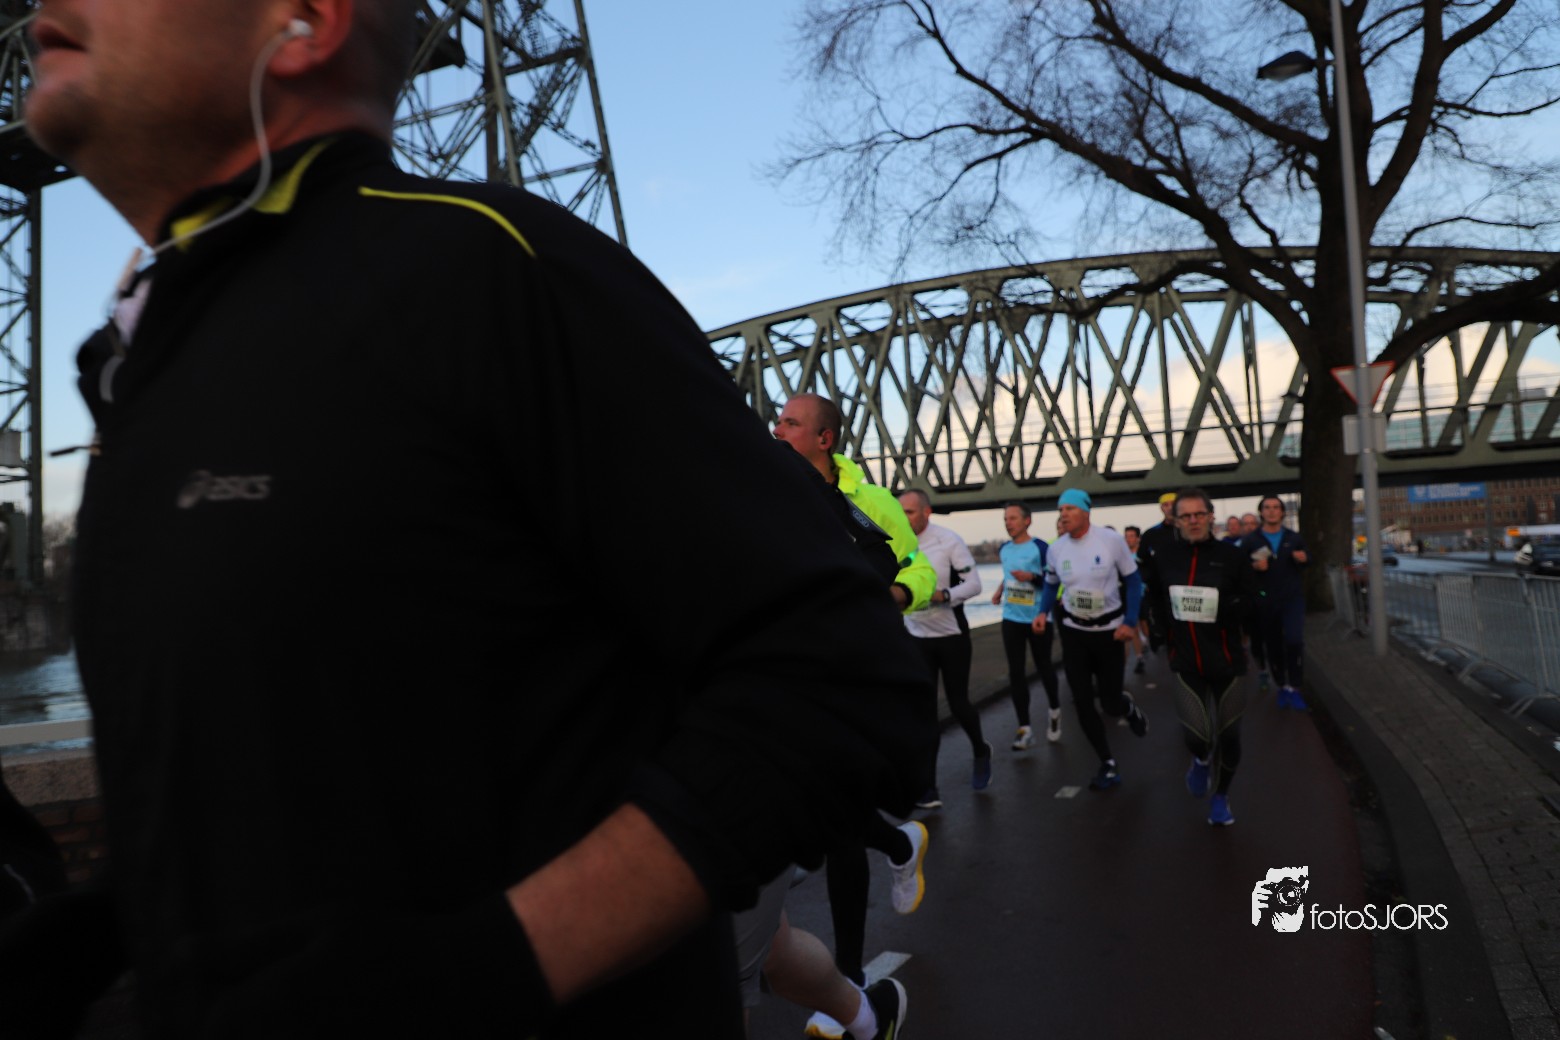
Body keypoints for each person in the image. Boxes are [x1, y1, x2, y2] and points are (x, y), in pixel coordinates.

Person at [6, 5, 929, 1037]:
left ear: (305, 21)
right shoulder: (142, 363)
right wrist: (91, 940)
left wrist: (480, 974)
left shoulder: (486, 270)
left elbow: (841, 677)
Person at [771, 392, 933, 1038]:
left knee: (837, 825)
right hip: (791, 672)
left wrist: (893, 593)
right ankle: (898, 841)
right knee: (814, 807)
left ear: (825, 439)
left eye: (789, 423)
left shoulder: (871, 502)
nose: (776, 429)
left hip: (854, 673)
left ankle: (852, 983)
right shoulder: (768, 490)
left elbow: (917, 565)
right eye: (777, 420)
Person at [1139, 488, 1256, 826]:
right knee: (1197, 736)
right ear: (1175, 520)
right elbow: (1154, 597)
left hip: (1228, 661)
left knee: (1229, 735)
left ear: (1210, 517)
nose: (1193, 521)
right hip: (1186, 660)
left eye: (1199, 514)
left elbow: (1252, 598)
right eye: (1186, 516)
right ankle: (1201, 761)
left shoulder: (1232, 556)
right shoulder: (1165, 557)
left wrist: (1228, 606)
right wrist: (1157, 628)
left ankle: (1220, 797)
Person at [1033, 490, 1150, 790]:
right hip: (1074, 632)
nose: (1063, 514)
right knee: (1082, 701)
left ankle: (1126, 707)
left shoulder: (1110, 541)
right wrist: (1042, 612)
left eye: (1070, 508)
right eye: (1060, 509)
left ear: (1086, 512)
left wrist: (1130, 621)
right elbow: (1050, 584)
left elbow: (1133, 581)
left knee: (1110, 703)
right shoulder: (1056, 549)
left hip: (1109, 632)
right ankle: (1107, 762)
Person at [899, 489, 989, 798]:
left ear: (926, 512)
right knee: (924, 712)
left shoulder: (948, 540)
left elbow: (974, 584)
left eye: (910, 512)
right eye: (901, 512)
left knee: (958, 704)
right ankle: (929, 786)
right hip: (916, 636)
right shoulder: (897, 542)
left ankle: (980, 750)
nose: (904, 518)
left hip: (950, 636)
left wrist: (945, 595)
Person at [989, 502, 1063, 749]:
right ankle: (1025, 728)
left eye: (1012, 518)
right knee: (1016, 672)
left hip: (1037, 618)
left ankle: (1054, 710)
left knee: (1044, 667)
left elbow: (1052, 581)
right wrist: (1000, 590)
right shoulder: (1004, 549)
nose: (1008, 523)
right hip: (1011, 617)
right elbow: (1008, 575)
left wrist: (1032, 577)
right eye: (1005, 519)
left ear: (1027, 520)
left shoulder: (1040, 548)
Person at [1240, 495, 1310, 711]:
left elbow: (1308, 559)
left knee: (1294, 640)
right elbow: (1239, 570)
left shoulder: (1293, 537)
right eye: (1267, 507)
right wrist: (1253, 567)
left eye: (1276, 507)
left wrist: (1304, 559)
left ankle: (1295, 686)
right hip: (1266, 600)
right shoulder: (1251, 540)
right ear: (1261, 512)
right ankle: (1281, 685)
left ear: (1282, 512)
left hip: (1292, 598)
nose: (1271, 511)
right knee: (1273, 645)